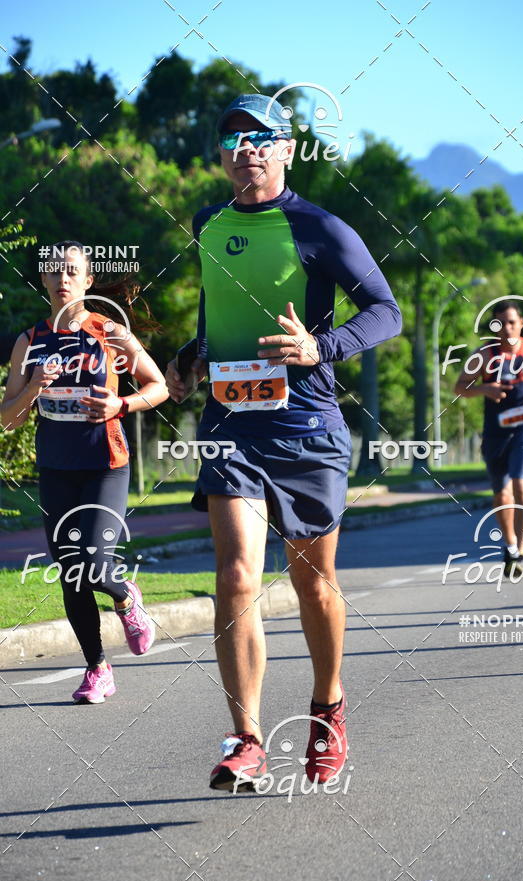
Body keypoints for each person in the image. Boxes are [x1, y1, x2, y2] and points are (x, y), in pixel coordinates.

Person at [166, 94, 401, 791]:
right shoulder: (209, 225)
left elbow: (385, 312)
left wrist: (319, 346)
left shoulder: (319, 226)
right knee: (237, 577)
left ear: (289, 150)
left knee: (312, 584)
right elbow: (221, 316)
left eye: (262, 138)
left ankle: (329, 708)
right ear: (222, 155)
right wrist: (190, 356)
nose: (247, 149)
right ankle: (246, 741)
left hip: (307, 427)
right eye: (234, 139)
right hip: (230, 424)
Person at [1, 241, 169, 702]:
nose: (61, 279)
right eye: (53, 272)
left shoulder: (110, 332)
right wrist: (33, 387)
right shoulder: (30, 341)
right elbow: (7, 418)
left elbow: (157, 387)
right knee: (71, 570)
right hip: (56, 468)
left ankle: (124, 595)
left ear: (88, 280)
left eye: (71, 271)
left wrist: (121, 403)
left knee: (95, 565)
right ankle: (97, 668)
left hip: (105, 465)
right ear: (44, 280)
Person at [454, 299, 523, 576]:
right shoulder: (485, 355)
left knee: (521, 485)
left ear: (521, 324)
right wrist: (485, 389)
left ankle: (522, 550)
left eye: (512, 322)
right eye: (501, 323)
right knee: (501, 493)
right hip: (496, 432)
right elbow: (460, 387)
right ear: (494, 327)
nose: (508, 328)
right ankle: (510, 545)